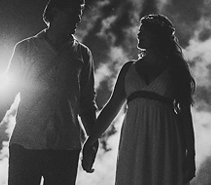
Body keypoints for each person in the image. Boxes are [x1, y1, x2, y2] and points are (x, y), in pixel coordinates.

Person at [0, 0, 97, 185]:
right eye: (73, 13)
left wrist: (93, 139)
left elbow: (87, 103)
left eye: (79, 15)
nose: (78, 19)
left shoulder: (83, 54)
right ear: (54, 13)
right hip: (26, 144)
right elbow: (5, 96)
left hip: (65, 147)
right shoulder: (26, 49)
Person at [82, 14, 196, 184]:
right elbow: (112, 107)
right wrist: (91, 140)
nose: (139, 35)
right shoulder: (129, 69)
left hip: (165, 136)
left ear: (158, 36)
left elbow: (184, 112)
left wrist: (190, 154)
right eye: (139, 31)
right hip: (134, 137)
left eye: (145, 32)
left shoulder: (175, 70)